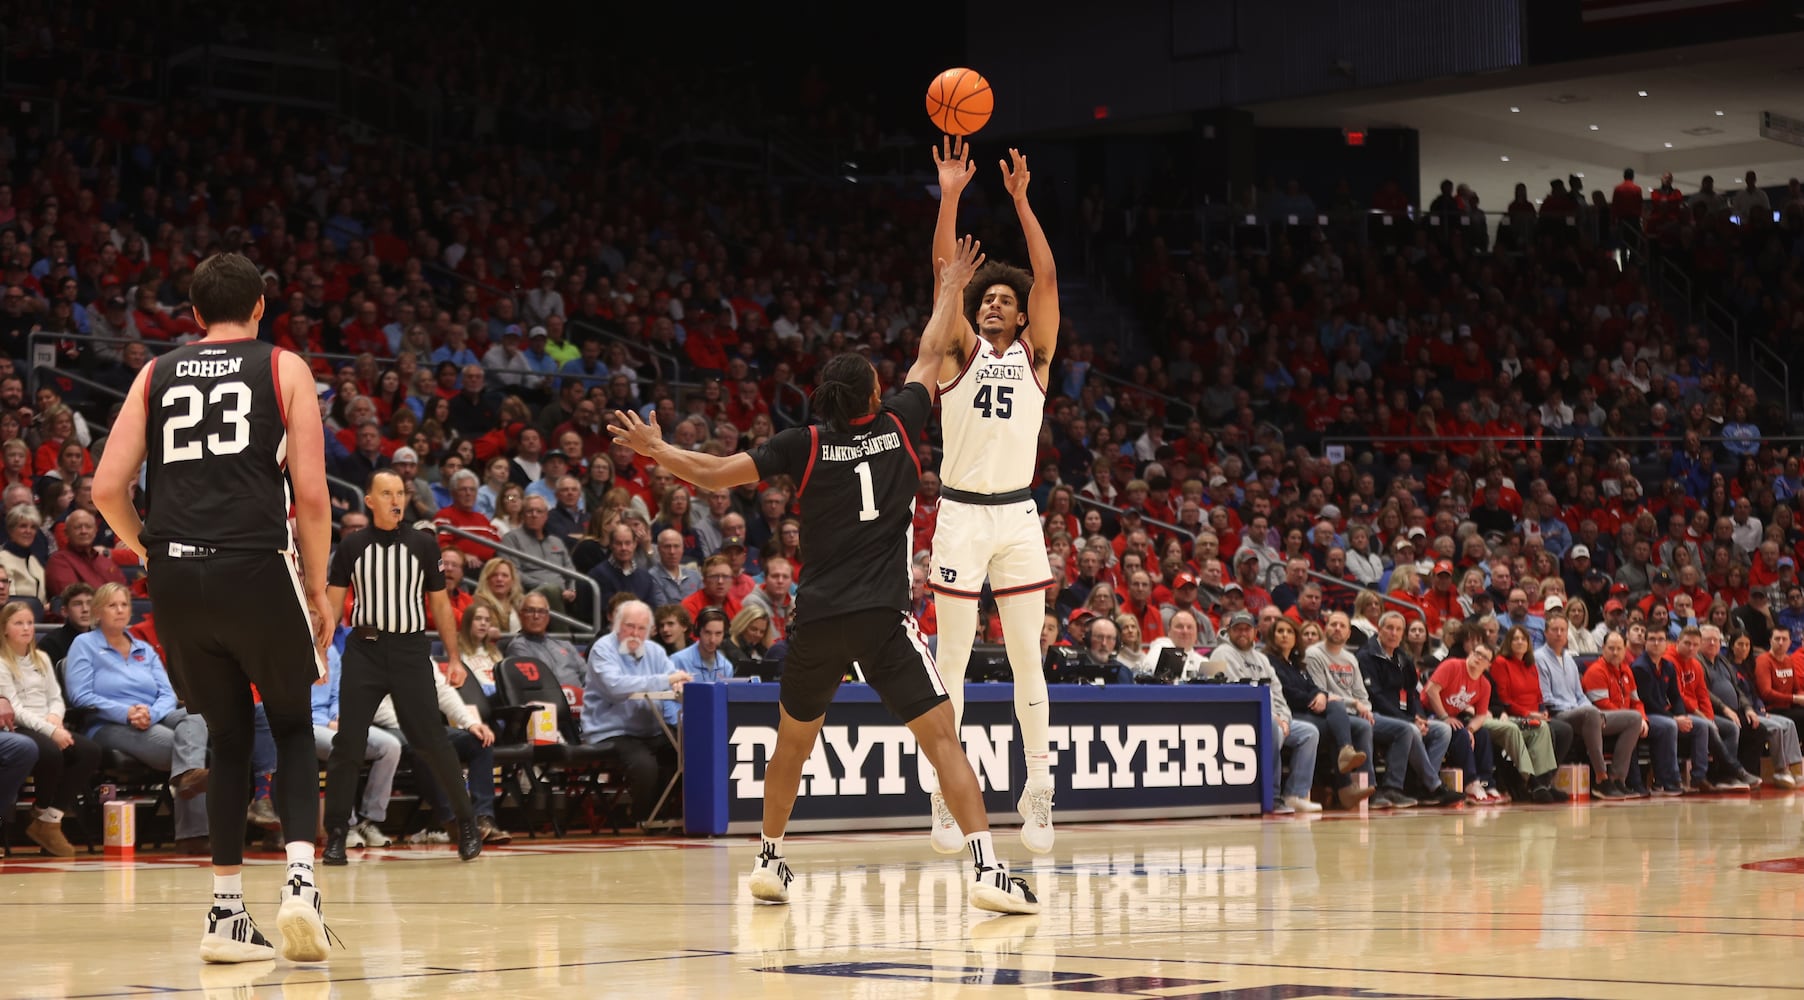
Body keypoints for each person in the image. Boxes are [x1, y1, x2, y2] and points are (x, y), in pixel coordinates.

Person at [605, 236, 1039, 914]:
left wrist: (655, 448)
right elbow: (931, 350)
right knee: (942, 736)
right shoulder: (900, 423)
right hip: (881, 620)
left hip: (818, 621)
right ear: (872, 391)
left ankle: (770, 860)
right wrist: (952, 283)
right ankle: (986, 867)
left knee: (793, 745)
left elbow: (716, 473)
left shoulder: (804, 444)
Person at [91, 253, 335, 965]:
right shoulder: (284, 368)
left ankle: (227, 915)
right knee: (291, 724)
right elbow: (313, 499)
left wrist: (146, 551)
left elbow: (107, 488)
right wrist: (317, 589)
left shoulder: (154, 372)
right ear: (261, 306)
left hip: (176, 575)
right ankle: (299, 887)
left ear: (194, 316)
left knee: (225, 737)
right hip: (257, 565)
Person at [924, 139, 1062, 856]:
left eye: (1007, 301)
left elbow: (1045, 275)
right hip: (959, 513)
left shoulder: (1037, 360)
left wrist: (1020, 201)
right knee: (951, 662)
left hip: (1016, 514)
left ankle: (1037, 790)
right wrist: (951, 194)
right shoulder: (956, 354)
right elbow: (947, 275)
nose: (998, 304)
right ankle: (947, 798)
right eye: (990, 299)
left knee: (1025, 659)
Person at [321, 469, 483, 866]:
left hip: (411, 650)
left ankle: (466, 823)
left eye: (401, 494)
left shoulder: (423, 545)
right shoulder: (352, 545)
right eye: (387, 493)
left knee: (432, 740)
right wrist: (319, 652)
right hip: (365, 649)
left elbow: (441, 604)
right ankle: (338, 834)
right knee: (348, 744)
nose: (396, 500)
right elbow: (331, 600)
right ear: (370, 501)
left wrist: (455, 657)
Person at [0, 600, 99, 855]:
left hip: (47, 723)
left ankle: (50, 819)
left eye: (30, 623)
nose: (26, 628)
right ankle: (41, 808)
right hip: (20, 726)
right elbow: (16, 709)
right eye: (18, 623)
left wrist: (55, 717)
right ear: (4, 629)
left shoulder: (41, 657)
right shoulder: (1, 661)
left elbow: (55, 697)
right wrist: (50, 729)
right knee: (51, 751)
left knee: (88, 751)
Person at [581, 600, 688, 833]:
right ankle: (644, 817)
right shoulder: (602, 650)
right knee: (645, 764)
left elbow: (674, 677)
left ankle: (665, 814)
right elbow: (616, 687)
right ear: (616, 625)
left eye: (641, 628)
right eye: (629, 626)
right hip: (611, 731)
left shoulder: (656, 651)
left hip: (651, 730)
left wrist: (680, 683)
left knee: (688, 752)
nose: (635, 634)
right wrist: (666, 680)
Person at [1216, 610, 1321, 814]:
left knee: (1309, 732)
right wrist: (1274, 719)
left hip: (1271, 717)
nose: (1242, 633)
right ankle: (1272, 796)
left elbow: (1277, 692)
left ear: (1255, 632)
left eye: (1247, 629)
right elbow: (1237, 692)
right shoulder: (1221, 654)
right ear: (1229, 631)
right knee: (1273, 727)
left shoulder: (1262, 659)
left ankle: (1295, 795)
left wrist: (1283, 718)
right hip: (1240, 718)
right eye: (1237, 629)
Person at [309, 639, 402, 852]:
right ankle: (345, 824)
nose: (316, 619)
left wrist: (339, 716)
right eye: (311, 613)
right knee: (342, 747)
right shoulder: (288, 647)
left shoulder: (330, 649)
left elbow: (337, 693)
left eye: (318, 614)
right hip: (306, 724)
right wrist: (327, 723)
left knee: (390, 746)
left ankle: (369, 820)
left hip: (331, 721)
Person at [1536, 616, 1642, 799]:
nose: (1559, 633)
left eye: (1563, 629)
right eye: (1554, 629)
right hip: (1558, 714)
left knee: (1634, 718)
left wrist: (1594, 711)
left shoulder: (1569, 659)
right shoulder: (1539, 658)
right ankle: (1601, 778)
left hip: (1584, 713)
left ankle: (1617, 778)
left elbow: (1580, 694)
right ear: (1546, 633)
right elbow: (1546, 698)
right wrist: (1583, 709)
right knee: (1590, 712)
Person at [1583, 631, 1662, 797]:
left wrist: (1643, 720)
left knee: (1637, 723)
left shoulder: (1626, 670)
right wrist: (1633, 718)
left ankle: (1619, 780)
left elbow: (1636, 701)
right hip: (1600, 719)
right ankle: (1612, 779)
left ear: (1625, 650)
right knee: (1633, 721)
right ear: (1603, 648)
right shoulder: (1596, 671)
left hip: (1625, 719)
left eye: (1619, 648)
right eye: (1611, 648)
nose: (1615, 652)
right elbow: (1601, 704)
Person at [505, 592, 588, 688]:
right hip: (550, 700)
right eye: (530, 611)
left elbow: (587, 676)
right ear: (520, 616)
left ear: (548, 617)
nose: (536, 616)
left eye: (541, 611)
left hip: (582, 698)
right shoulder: (518, 646)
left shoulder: (565, 645)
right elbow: (535, 685)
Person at [670, 607, 734, 684]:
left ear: (725, 635)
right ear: (698, 631)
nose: (712, 640)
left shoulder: (726, 667)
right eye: (707, 632)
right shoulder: (677, 660)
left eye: (718, 633)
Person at [38, 582, 93, 665]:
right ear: (65, 611)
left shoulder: (103, 639)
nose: (85, 609)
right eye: (77, 604)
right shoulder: (50, 644)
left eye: (89, 603)